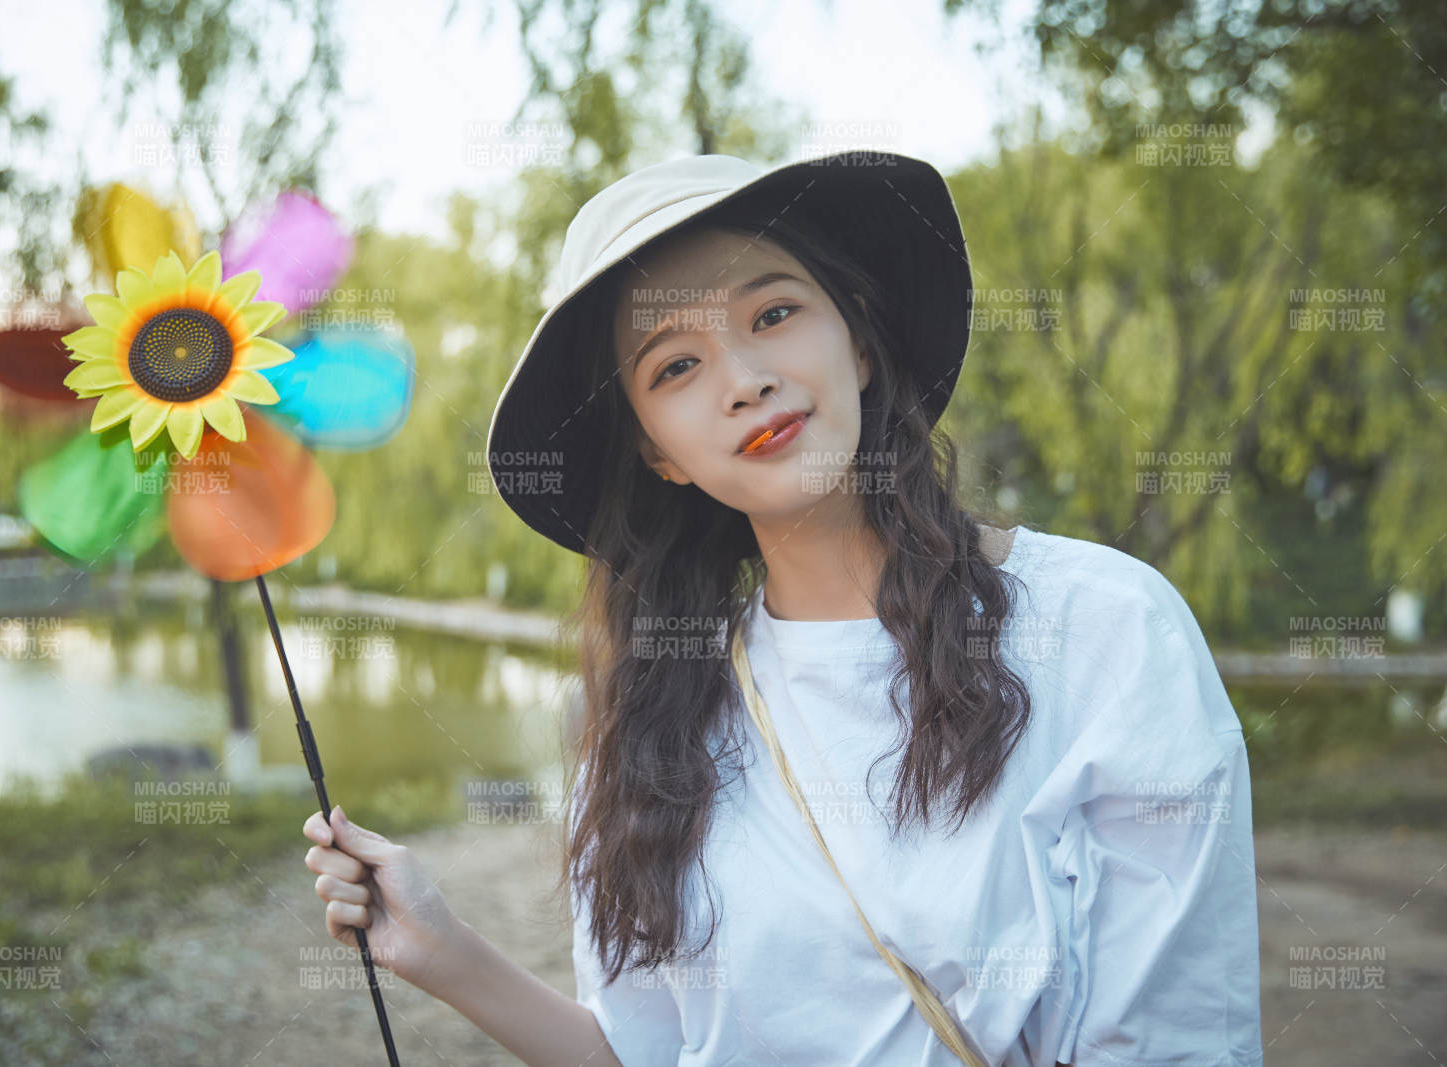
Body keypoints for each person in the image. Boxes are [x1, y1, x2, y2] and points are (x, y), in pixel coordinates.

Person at [304, 151, 1264, 1066]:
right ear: (659, 452)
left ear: (859, 339)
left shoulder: (1105, 632)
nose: (743, 379)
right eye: (674, 366)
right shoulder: (649, 720)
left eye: (772, 311)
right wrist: (441, 952)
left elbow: (1181, 1034)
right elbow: (645, 1051)